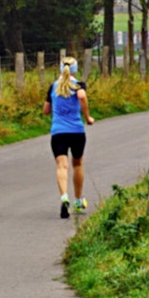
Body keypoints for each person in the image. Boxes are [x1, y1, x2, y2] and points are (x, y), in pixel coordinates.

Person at [42, 57, 96, 219]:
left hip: (58, 132)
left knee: (62, 165)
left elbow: (45, 110)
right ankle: (78, 201)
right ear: (75, 70)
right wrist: (87, 117)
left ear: (60, 69)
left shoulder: (53, 87)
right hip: (77, 131)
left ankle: (64, 197)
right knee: (78, 163)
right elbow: (81, 96)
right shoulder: (78, 84)